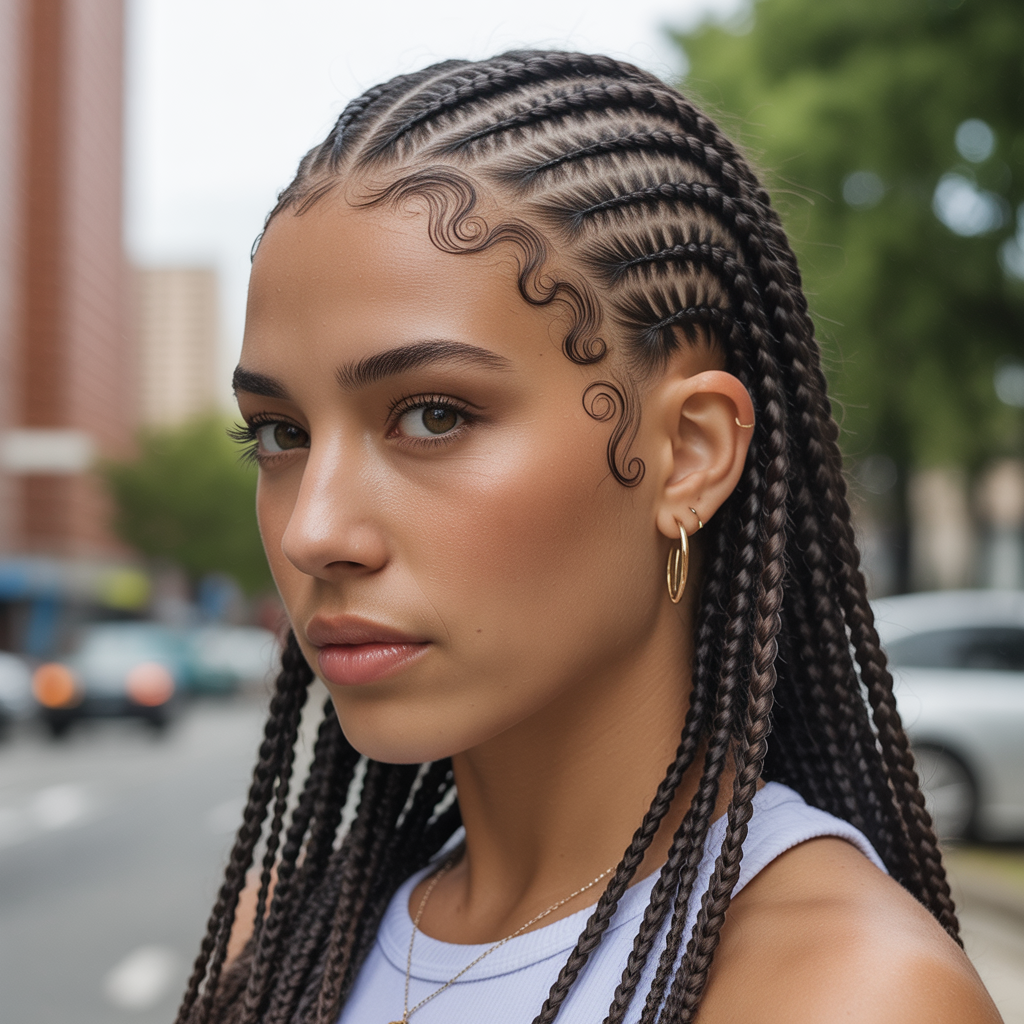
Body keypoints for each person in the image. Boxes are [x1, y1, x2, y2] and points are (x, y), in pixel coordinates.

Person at [175, 51, 1002, 1024]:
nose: (314, 531)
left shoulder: (846, 993)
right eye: (280, 435)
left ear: (689, 455)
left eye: (433, 415)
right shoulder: (280, 936)